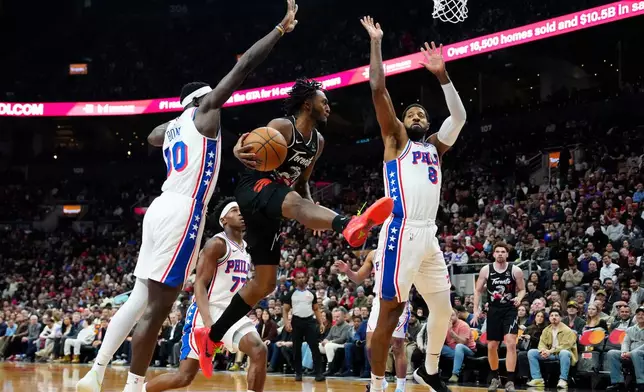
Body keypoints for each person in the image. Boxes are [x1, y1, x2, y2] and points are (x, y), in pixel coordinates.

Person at [76, 2, 299, 391]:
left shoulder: (172, 128)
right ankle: (132, 386)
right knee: (159, 305)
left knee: (139, 296)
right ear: (203, 99)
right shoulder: (206, 110)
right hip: (184, 210)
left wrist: (182, 120)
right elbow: (244, 65)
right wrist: (280, 30)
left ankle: (96, 372)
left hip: (159, 206)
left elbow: (151, 135)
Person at [196, 49, 396, 372]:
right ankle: (348, 223)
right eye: (323, 99)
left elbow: (302, 183)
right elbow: (248, 147)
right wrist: (238, 146)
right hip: (253, 189)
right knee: (293, 202)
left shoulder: (317, 143)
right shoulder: (282, 127)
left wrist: (312, 212)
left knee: (265, 283)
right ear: (307, 104)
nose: (328, 104)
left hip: (277, 204)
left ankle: (213, 337)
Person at [359, 16, 466, 392]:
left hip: (429, 236)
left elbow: (460, 117)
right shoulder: (396, 141)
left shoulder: (435, 147)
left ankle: (430, 371)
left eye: (422, 113)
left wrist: (443, 75)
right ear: (402, 123)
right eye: (411, 114)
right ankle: (376, 384)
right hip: (401, 231)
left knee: (443, 309)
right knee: (390, 313)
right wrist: (377, 41)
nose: (417, 116)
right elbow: (377, 89)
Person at [145, 198, 266, 392]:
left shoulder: (246, 249)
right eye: (235, 211)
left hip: (231, 312)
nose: (241, 213)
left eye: (242, 209)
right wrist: (209, 323)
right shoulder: (217, 244)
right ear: (224, 219)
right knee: (183, 377)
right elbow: (199, 284)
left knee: (259, 349)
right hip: (206, 313)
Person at [335, 250, 411, 392]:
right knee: (369, 347)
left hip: (400, 299)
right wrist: (348, 271)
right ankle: (380, 381)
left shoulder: (404, 247)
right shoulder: (373, 254)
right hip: (379, 300)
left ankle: (401, 387)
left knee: (397, 346)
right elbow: (358, 278)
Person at [472, 243, 526, 392]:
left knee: (510, 343)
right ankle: (495, 377)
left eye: (503, 251)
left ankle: (510, 381)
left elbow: (522, 290)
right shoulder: (486, 270)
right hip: (493, 310)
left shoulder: (515, 270)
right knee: (492, 346)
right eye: (497, 251)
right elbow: (477, 291)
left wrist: (519, 298)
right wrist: (476, 310)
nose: (500, 254)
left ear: (507, 254)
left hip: (509, 310)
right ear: (494, 254)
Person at [282, 271, 326, 381]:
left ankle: (318, 373)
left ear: (306, 278)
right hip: (296, 322)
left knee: (314, 347)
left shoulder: (311, 293)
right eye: (299, 277)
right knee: (296, 348)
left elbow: (316, 309)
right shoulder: (291, 294)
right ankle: (298, 373)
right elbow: (285, 310)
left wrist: (321, 323)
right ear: (295, 280)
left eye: (303, 277)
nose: (301, 279)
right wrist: (286, 322)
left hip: (310, 321)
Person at [526, 309, 578, 389]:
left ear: (560, 318)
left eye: (556, 315)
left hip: (561, 354)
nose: (554, 317)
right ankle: (537, 379)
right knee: (532, 352)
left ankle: (563, 379)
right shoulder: (546, 330)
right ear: (549, 318)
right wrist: (543, 350)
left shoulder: (567, 330)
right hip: (549, 354)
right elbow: (541, 343)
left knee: (564, 352)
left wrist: (550, 351)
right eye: (551, 315)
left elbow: (566, 346)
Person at [606, 306, 644, 392]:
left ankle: (641, 383)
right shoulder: (630, 329)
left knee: (635, 354)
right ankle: (618, 382)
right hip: (630, 353)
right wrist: (624, 352)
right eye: (638, 314)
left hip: (640, 353)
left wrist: (630, 353)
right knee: (612, 353)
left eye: (643, 314)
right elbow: (625, 342)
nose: (640, 316)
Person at [442, 309, 476, 383]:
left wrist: (451, 332)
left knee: (459, 346)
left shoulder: (463, 325)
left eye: (452, 315)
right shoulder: (445, 325)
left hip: (468, 350)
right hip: (452, 350)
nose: (450, 318)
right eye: (448, 316)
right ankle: (431, 372)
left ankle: (455, 374)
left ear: (457, 315)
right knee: (437, 347)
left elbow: (462, 342)